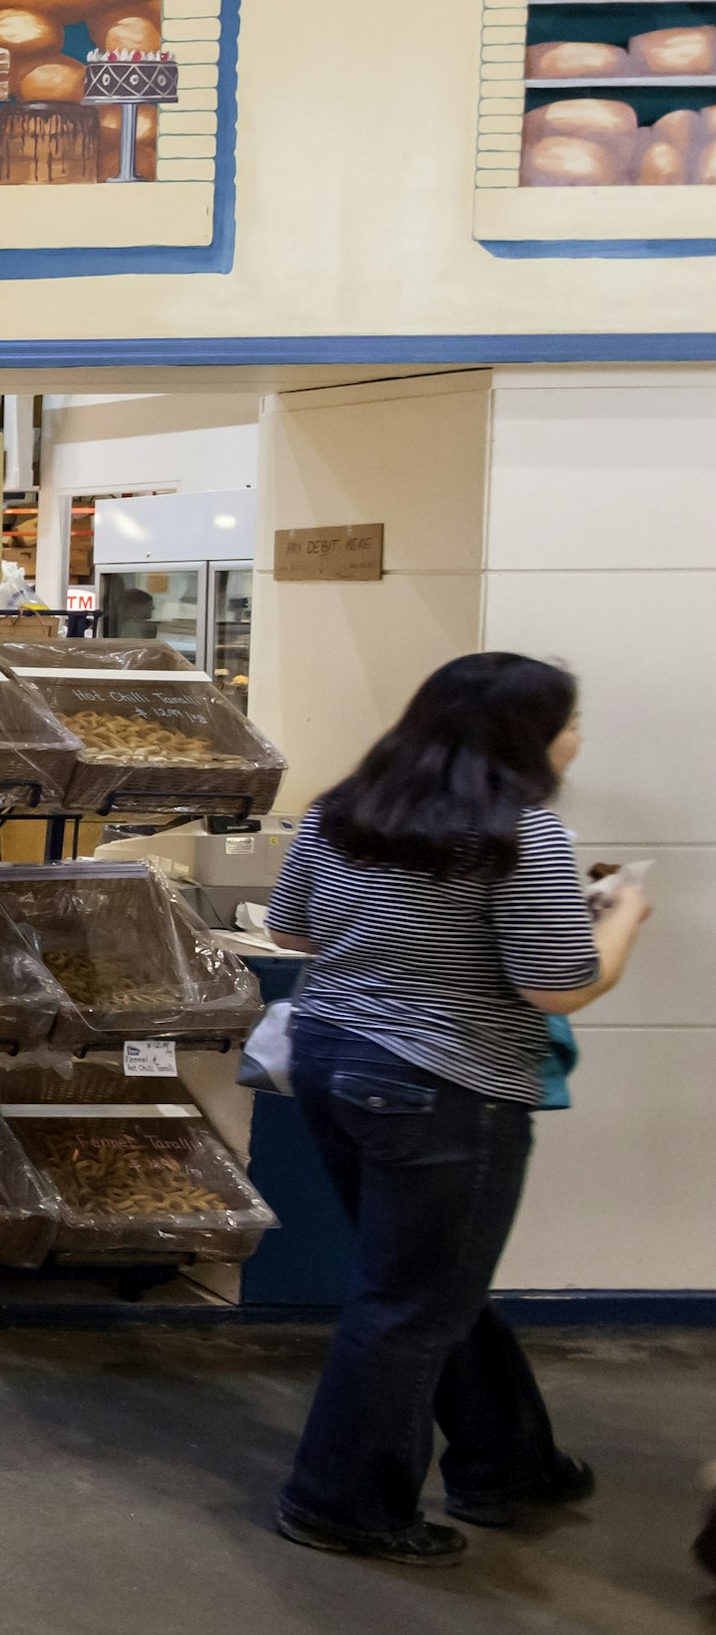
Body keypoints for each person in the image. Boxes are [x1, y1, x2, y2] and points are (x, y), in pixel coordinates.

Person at [265, 652, 652, 1565]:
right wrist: (623, 914)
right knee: (409, 1304)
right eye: (568, 721)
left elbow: (289, 930)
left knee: (431, 1287)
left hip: (329, 1057)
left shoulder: (344, 809)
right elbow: (559, 985)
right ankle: (342, 1503)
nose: (577, 737)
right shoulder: (521, 832)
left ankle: (511, 1463)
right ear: (524, 736)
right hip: (446, 1084)